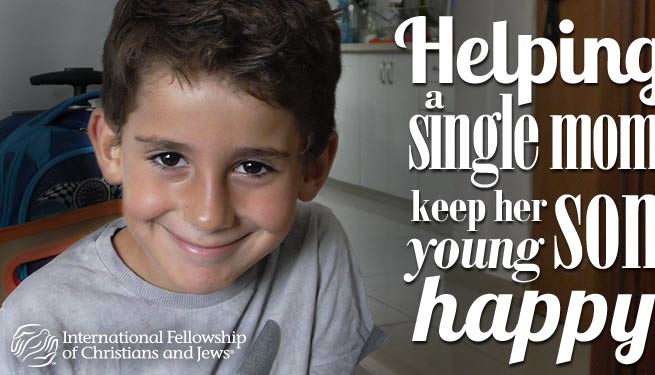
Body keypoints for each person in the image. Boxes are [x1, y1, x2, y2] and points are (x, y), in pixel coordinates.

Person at [0, 0, 384, 373]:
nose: (208, 215)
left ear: (313, 169)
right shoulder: (36, 327)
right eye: (169, 159)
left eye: (253, 167)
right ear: (111, 148)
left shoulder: (318, 247)